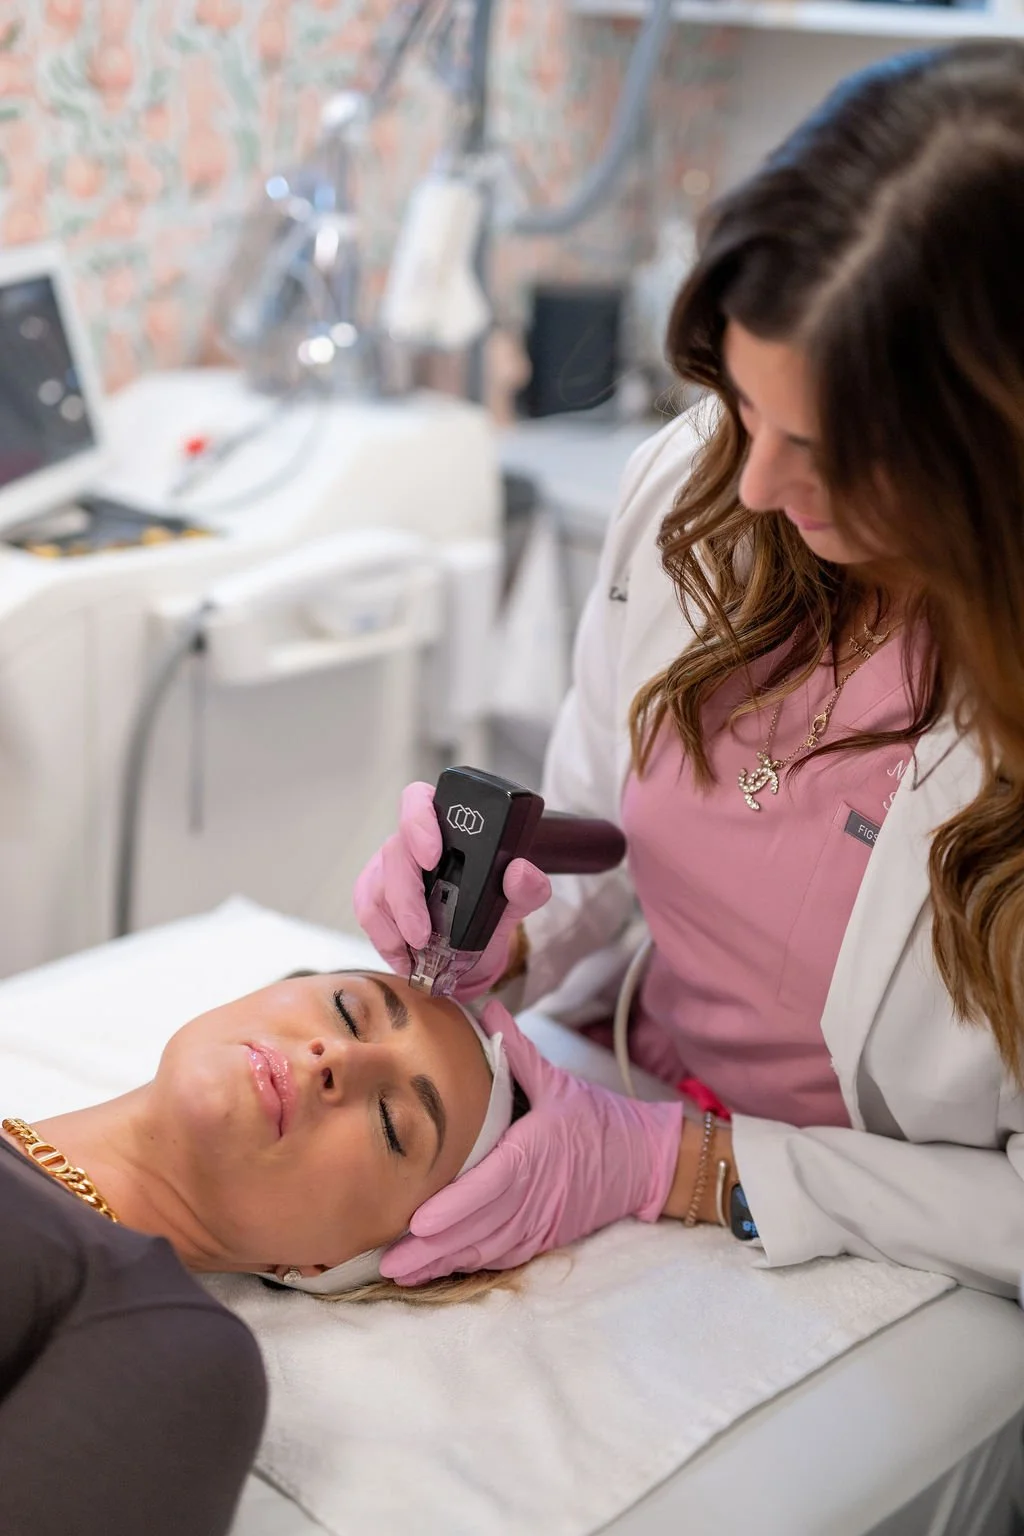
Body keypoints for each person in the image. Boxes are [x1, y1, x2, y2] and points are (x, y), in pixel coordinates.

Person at [356, 40, 1024, 1298]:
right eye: (745, 408)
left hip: (885, 1222)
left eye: (825, 449)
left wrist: (693, 1168)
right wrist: (503, 933)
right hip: (625, 1065)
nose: (759, 484)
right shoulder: (710, 487)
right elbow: (606, 844)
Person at [0, 968, 535, 1533]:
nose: (339, 1057)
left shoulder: (167, 1348)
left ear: (325, 1266)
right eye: (348, 1010)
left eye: (392, 1125)